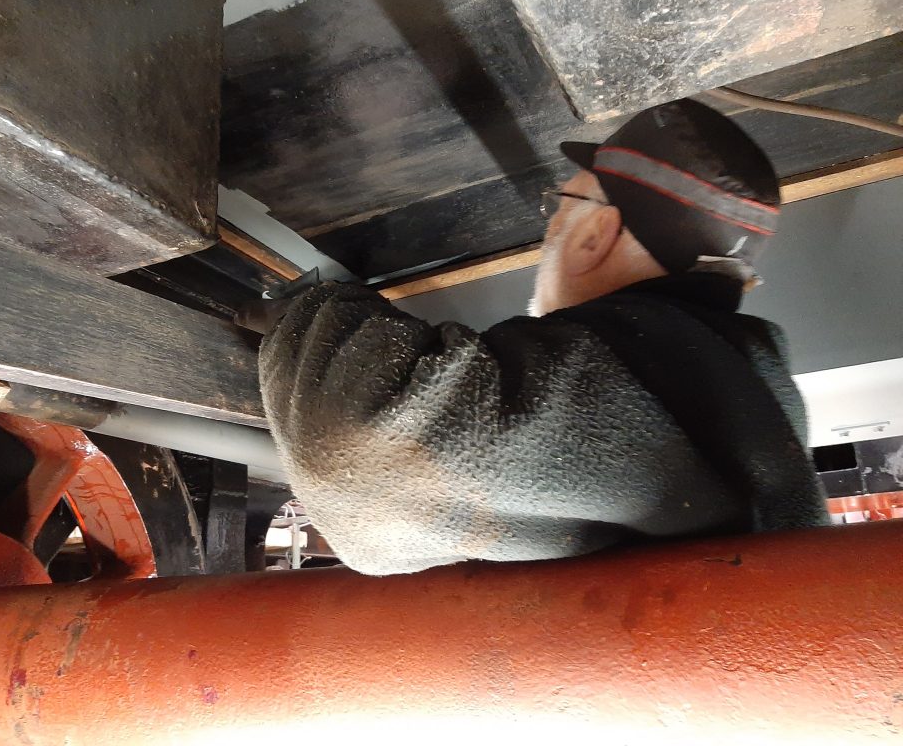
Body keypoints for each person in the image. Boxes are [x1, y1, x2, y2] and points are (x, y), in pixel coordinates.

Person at [253, 99, 829, 576]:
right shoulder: (742, 390)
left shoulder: (647, 365)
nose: (552, 222)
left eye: (563, 203)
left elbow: (357, 451)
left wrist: (304, 313)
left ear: (594, 235)